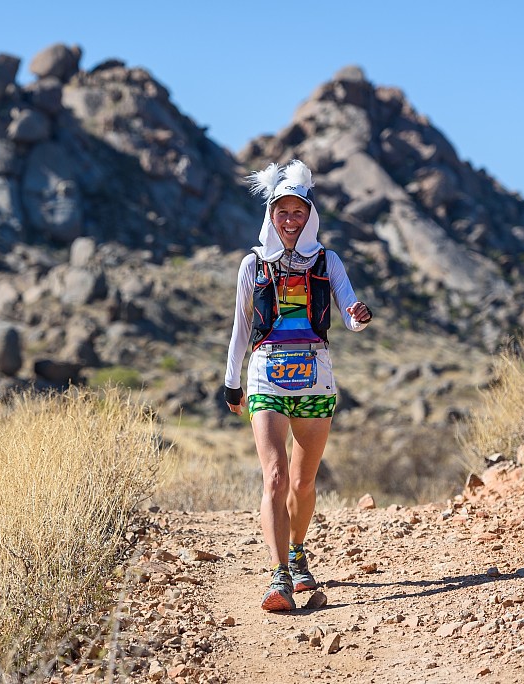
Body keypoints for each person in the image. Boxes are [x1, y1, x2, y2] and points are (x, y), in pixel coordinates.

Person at [224, 159, 372, 611]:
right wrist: (232, 383)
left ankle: (297, 552)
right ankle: (279, 577)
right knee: (275, 475)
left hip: (315, 376)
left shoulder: (328, 261)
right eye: (282, 212)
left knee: (303, 483)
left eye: (297, 212)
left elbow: (349, 312)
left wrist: (358, 317)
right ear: (271, 215)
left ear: (310, 215)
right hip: (265, 374)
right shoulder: (252, 264)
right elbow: (241, 326)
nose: (290, 220)